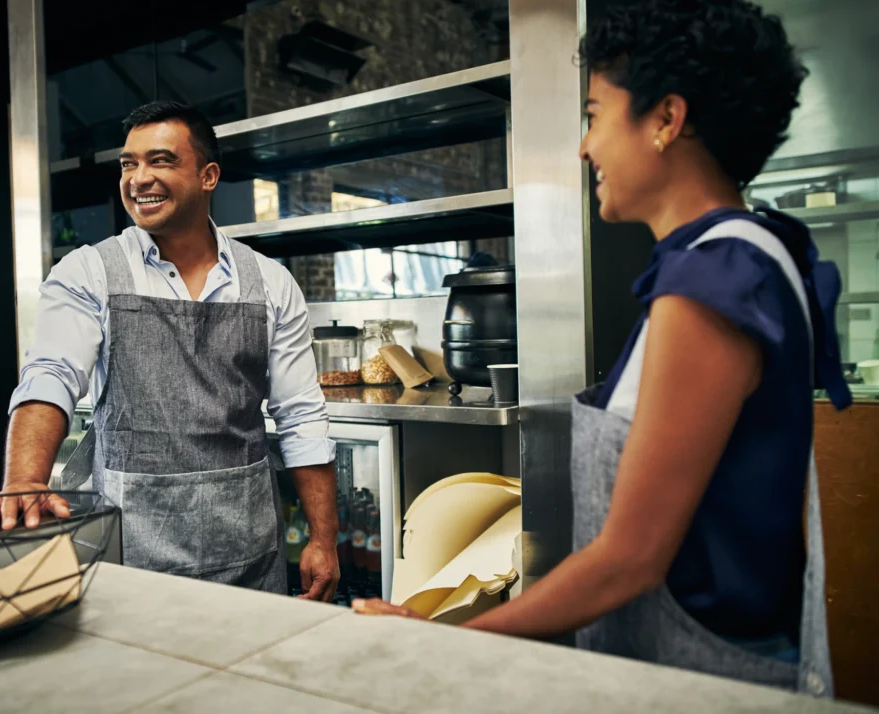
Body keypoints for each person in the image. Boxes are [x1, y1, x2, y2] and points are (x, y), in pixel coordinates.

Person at [353, 0, 850, 696]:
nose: (584, 147)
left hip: (704, 675)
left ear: (666, 120)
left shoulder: (714, 280)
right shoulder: (742, 255)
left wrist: (440, 642)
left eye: (594, 114)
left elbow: (630, 560)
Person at [0, 101, 340, 601]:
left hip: (247, 552)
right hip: (129, 551)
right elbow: (49, 374)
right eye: (128, 163)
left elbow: (300, 417)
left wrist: (323, 537)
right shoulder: (89, 272)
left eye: (160, 160)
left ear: (208, 176)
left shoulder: (269, 282)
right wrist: (23, 481)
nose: (139, 178)